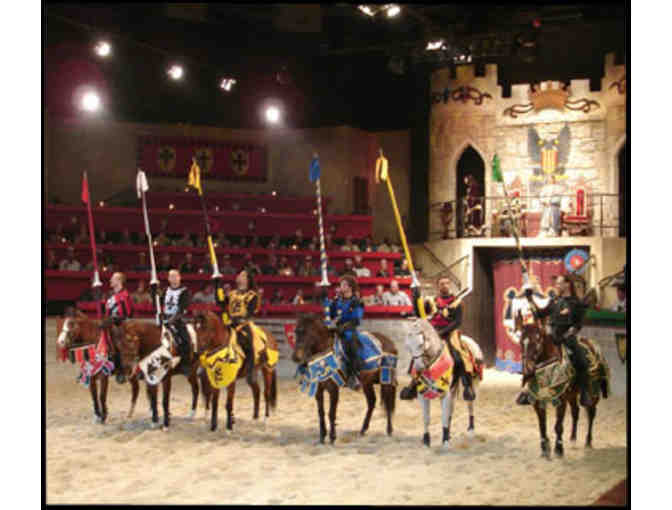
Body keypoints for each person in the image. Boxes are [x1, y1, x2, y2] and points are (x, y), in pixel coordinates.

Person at [522, 273, 592, 406]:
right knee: (532, 354)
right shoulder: (554, 301)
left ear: (567, 284)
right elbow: (539, 313)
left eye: (559, 283)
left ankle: (585, 392)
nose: (557, 285)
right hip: (551, 336)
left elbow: (578, 325)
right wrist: (530, 298)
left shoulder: (575, 303)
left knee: (582, 360)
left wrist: (567, 335)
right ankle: (527, 391)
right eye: (557, 283)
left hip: (567, 337)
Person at [402, 276, 475, 401]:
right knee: (418, 353)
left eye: (447, 283)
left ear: (450, 285)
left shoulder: (458, 303)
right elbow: (419, 313)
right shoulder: (432, 301)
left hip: (449, 333)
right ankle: (413, 385)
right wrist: (415, 295)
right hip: (432, 332)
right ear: (438, 286)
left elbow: (457, 322)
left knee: (458, 356)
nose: (445, 285)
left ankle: (467, 386)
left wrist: (442, 332)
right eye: (442, 283)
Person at [213, 269, 265, 385]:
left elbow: (251, 312)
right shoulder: (232, 293)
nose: (240, 277)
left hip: (243, 324)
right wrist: (217, 284)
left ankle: (251, 371)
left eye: (243, 276)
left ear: (248, 280)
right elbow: (220, 302)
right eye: (239, 275)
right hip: (229, 323)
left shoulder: (252, 295)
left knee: (249, 343)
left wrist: (239, 320)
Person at [321, 276, 364, 390]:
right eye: (340, 285)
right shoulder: (337, 301)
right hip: (336, 329)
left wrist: (344, 327)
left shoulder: (356, 302)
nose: (341, 287)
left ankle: (354, 375)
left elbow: (356, 319)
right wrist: (325, 301)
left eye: (343, 285)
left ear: (350, 287)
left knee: (352, 347)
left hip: (349, 330)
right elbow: (330, 313)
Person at [151, 269, 192, 375]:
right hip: (164, 319)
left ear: (179, 277)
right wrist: (153, 290)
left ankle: (185, 365)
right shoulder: (165, 290)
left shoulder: (184, 291)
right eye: (171, 276)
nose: (173, 278)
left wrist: (171, 320)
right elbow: (156, 303)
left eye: (175, 276)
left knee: (185, 340)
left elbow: (182, 309)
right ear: (168, 279)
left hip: (177, 320)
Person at [101, 272, 134, 382]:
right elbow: (106, 311)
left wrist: (114, 320)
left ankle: (120, 370)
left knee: (116, 338)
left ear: (119, 281)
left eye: (113, 279)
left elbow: (128, 313)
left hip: (120, 325)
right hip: (109, 324)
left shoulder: (125, 295)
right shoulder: (110, 295)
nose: (110, 280)